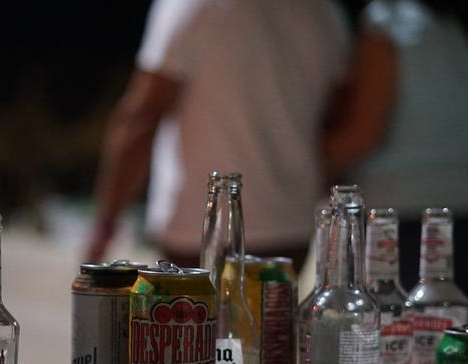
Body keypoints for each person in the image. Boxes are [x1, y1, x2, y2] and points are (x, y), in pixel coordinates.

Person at [86, 0, 352, 269]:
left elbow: (143, 115)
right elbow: (337, 124)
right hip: (289, 227)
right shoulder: (325, 12)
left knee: (194, 311)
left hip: (197, 225)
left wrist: (106, 221)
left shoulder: (192, 5)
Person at [321, 0, 468, 321]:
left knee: (397, 360)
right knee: (454, 357)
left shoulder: (387, 25)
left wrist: (304, 162)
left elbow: (362, 134)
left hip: (404, 224)